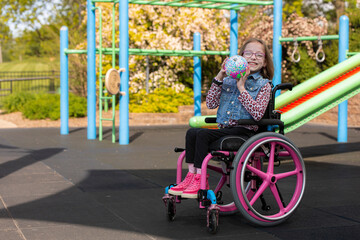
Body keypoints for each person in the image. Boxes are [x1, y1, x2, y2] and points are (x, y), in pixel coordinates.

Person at [168, 38, 274, 198]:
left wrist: (241, 88)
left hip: (244, 132)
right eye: (249, 53)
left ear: (265, 62)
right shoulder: (228, 80)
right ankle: (191, 176)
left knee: (202, 134)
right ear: (240, 57)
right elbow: (210, 103)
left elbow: (258, 114)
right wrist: (220, 75)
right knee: (192, 132)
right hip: (226, 129)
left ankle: (200, 179)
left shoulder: (264, 85)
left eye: (259, 55)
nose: (253, 58)